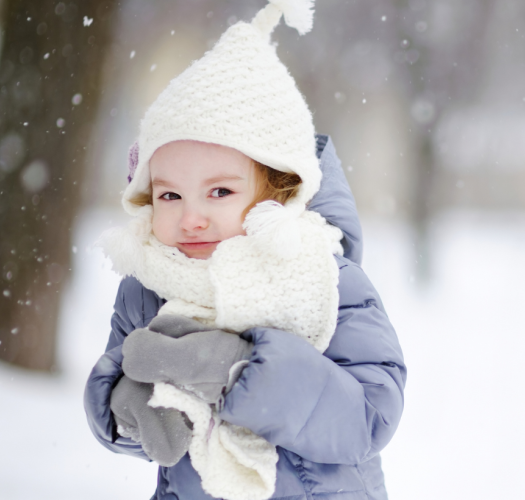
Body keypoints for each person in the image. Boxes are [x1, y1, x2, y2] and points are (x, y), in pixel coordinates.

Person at [81, 2, 405, 499]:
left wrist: (233, 370)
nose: (192, 216)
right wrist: (133, 410)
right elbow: (120, 394)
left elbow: (368, 415)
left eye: (219, 192)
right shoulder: (149, 288)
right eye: (171, 195)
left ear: (279, 191)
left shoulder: (323, 278)